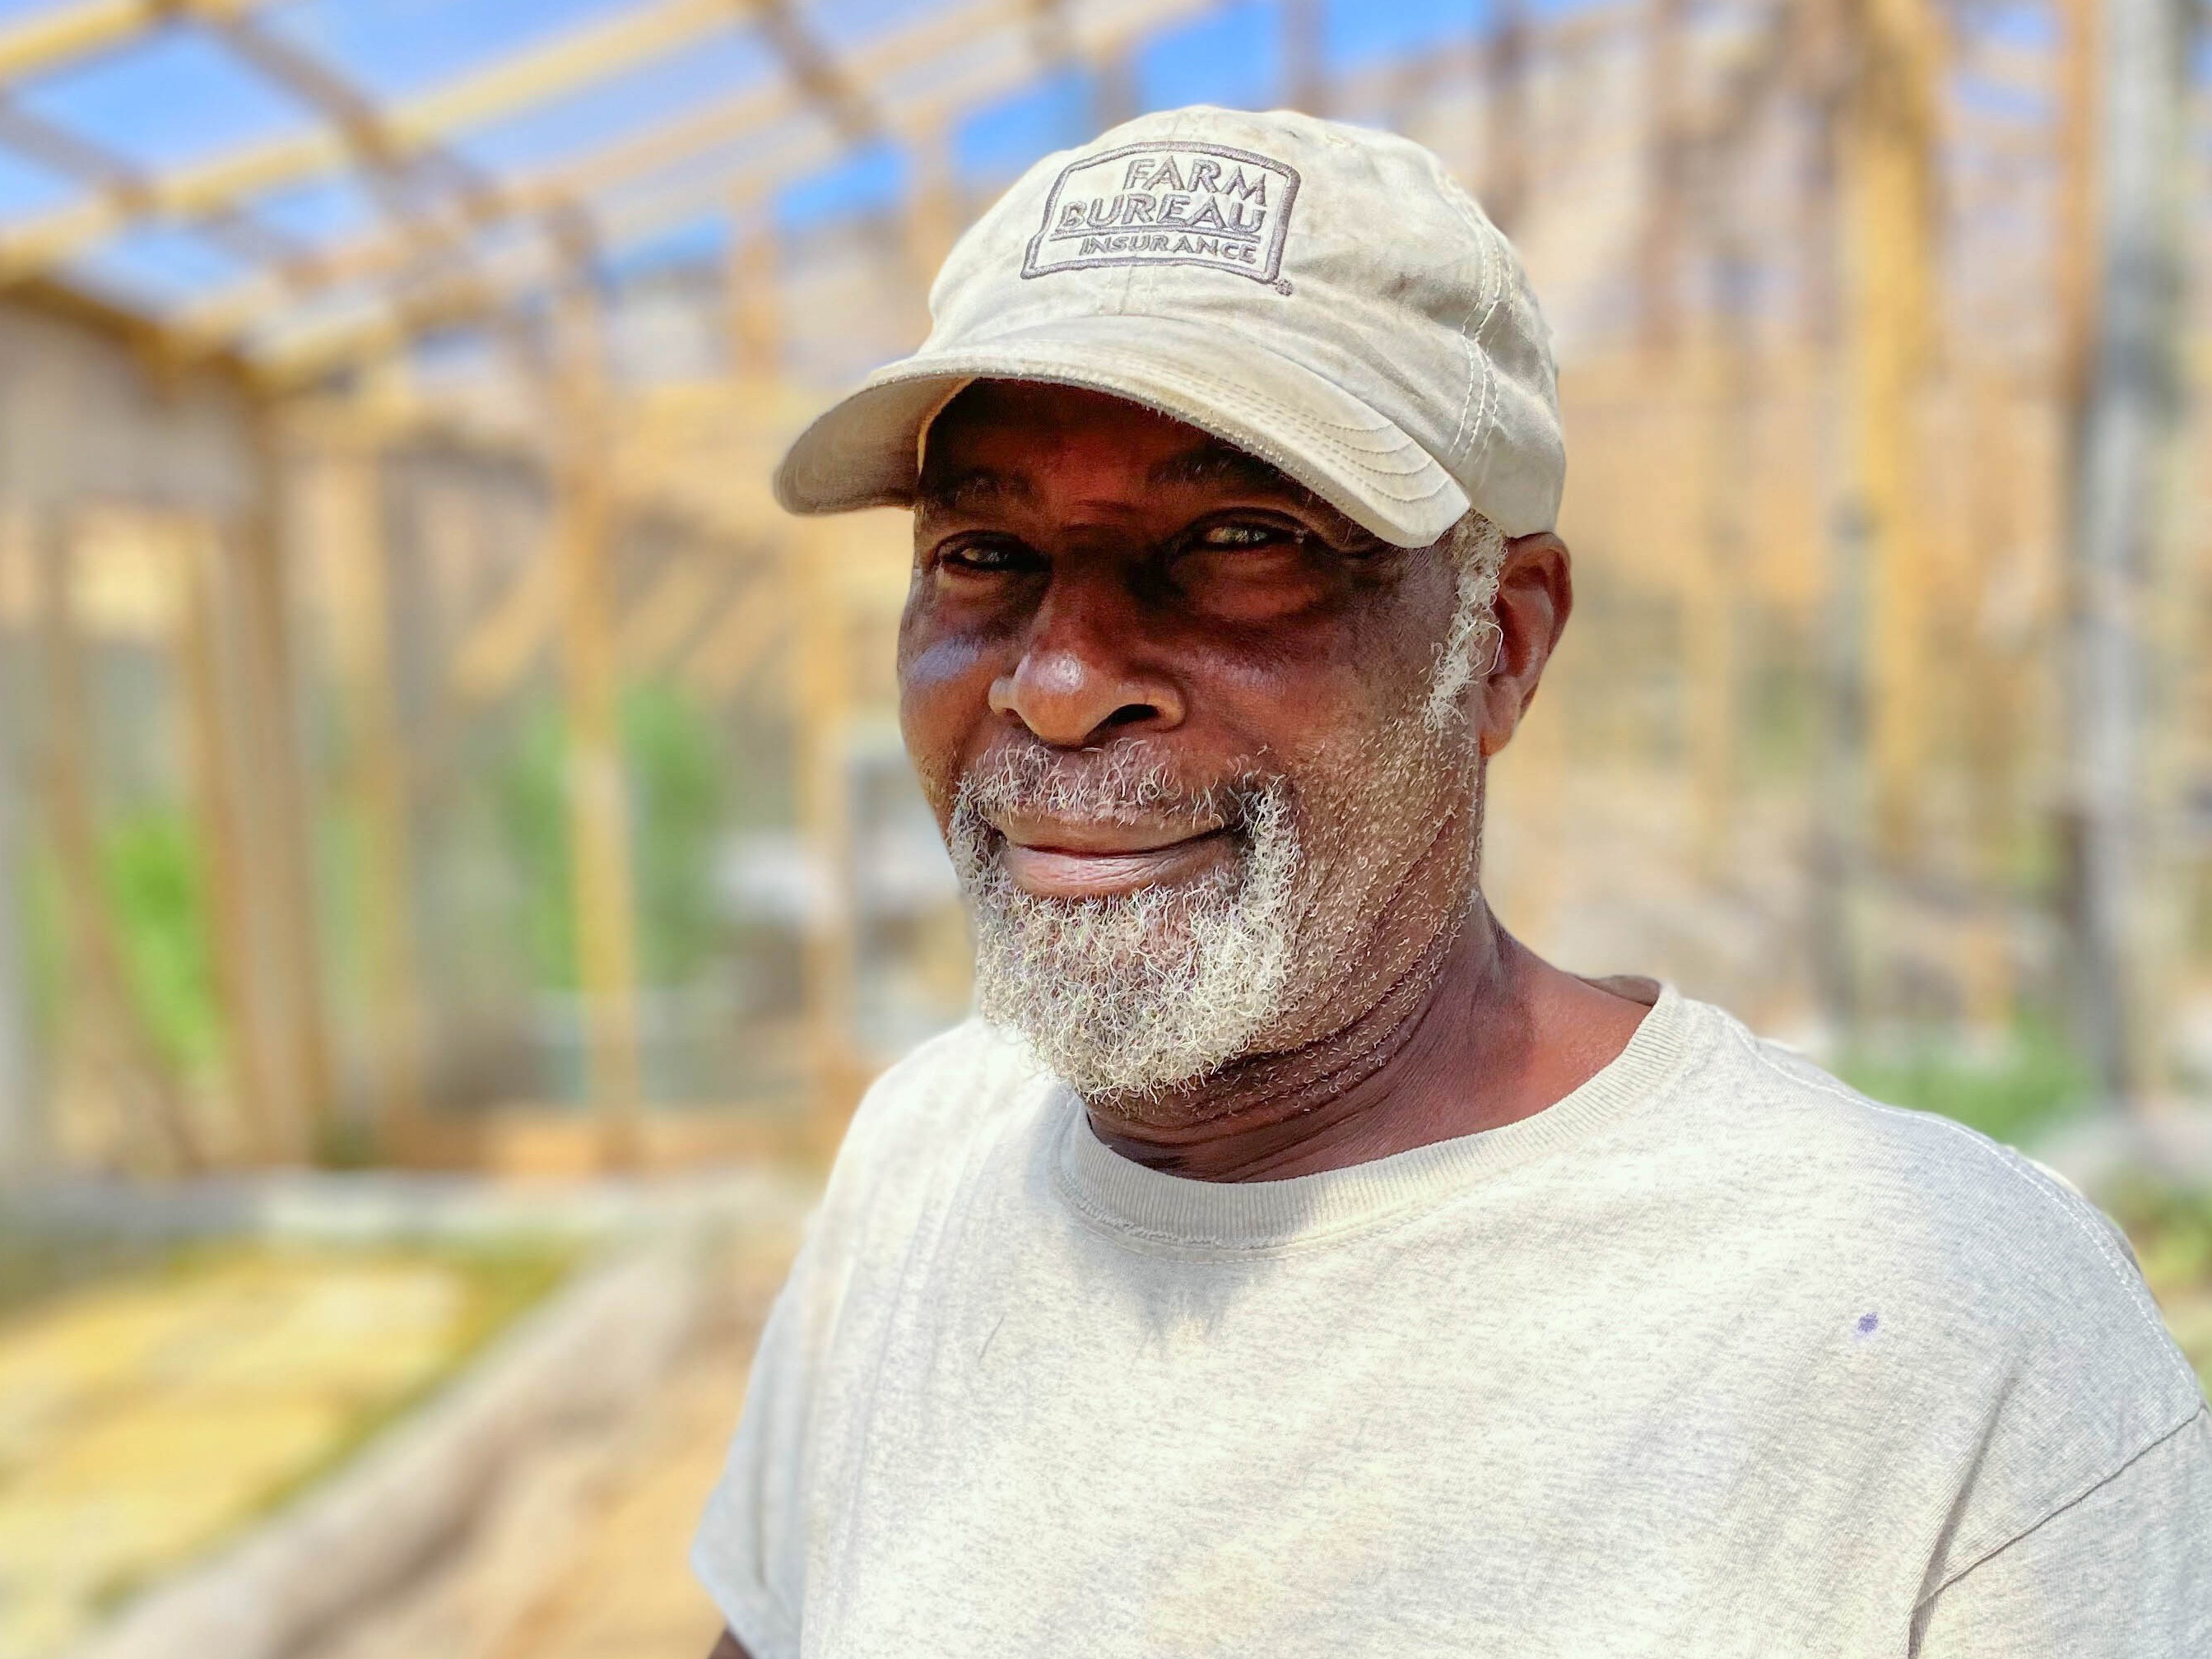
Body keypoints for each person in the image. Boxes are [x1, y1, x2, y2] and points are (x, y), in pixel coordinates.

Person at [691, 106, 2210, 1657]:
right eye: (984, 554)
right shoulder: (923, 1157)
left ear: (1502, 642)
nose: (1064, 680)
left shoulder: (1941, 1333)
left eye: (1239, 538)